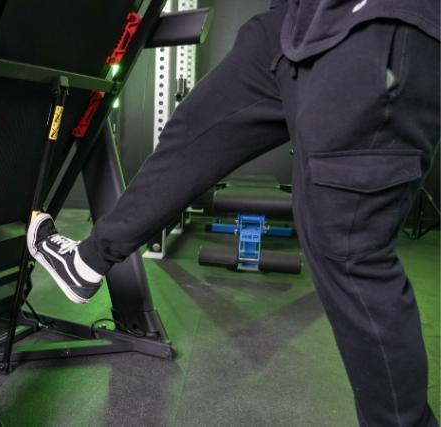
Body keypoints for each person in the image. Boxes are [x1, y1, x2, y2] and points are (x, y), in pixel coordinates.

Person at [27, 0, 440, 425]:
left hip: (381, 23)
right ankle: (88, 262)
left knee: (347, 249)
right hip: (298, 20)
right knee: (195, 131)